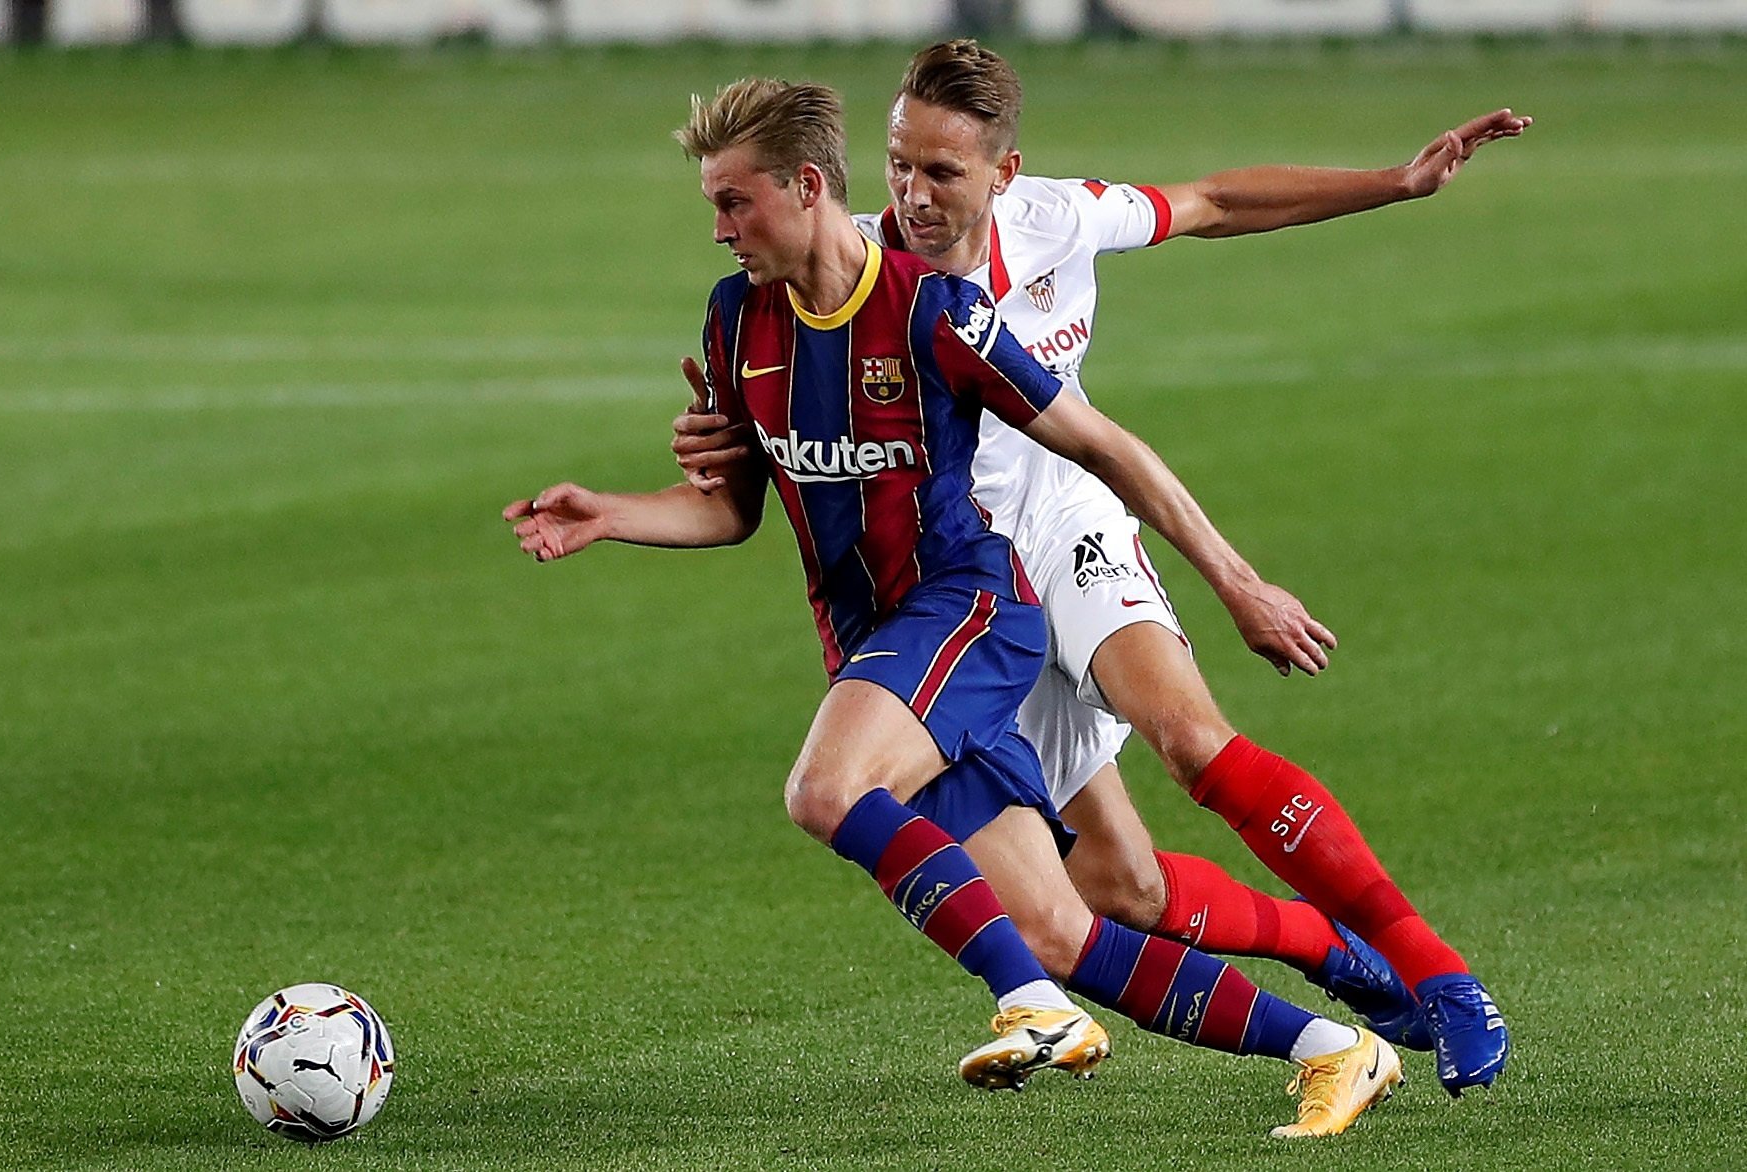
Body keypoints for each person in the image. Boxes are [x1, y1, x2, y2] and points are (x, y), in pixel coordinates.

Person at [508, 76, 1401, 1138]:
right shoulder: (736, 317)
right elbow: (731, 510)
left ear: (804, 186)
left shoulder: (934, 310)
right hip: (880, 647)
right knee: (1070, 926)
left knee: (824, 788)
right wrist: (607, 512)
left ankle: (1029, 1007)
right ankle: (1338, 1046)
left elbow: (1105, 444)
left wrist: (1235, 578)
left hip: (967, 609)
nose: (719, 228)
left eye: (734, 201)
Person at [671, 40, 1529, 1097]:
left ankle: (1441, 975)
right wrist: (725, 438)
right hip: (958, 590)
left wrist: (1394, 183)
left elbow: (1212, 201)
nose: (911, 195)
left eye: (942, 171)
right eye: (899, 165)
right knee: (1122, 888)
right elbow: (778, 412)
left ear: (1004, 172)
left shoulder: (1059, 221)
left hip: (1067, 527)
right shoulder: (843, 267)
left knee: (1194, 742)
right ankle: (1328, 950)